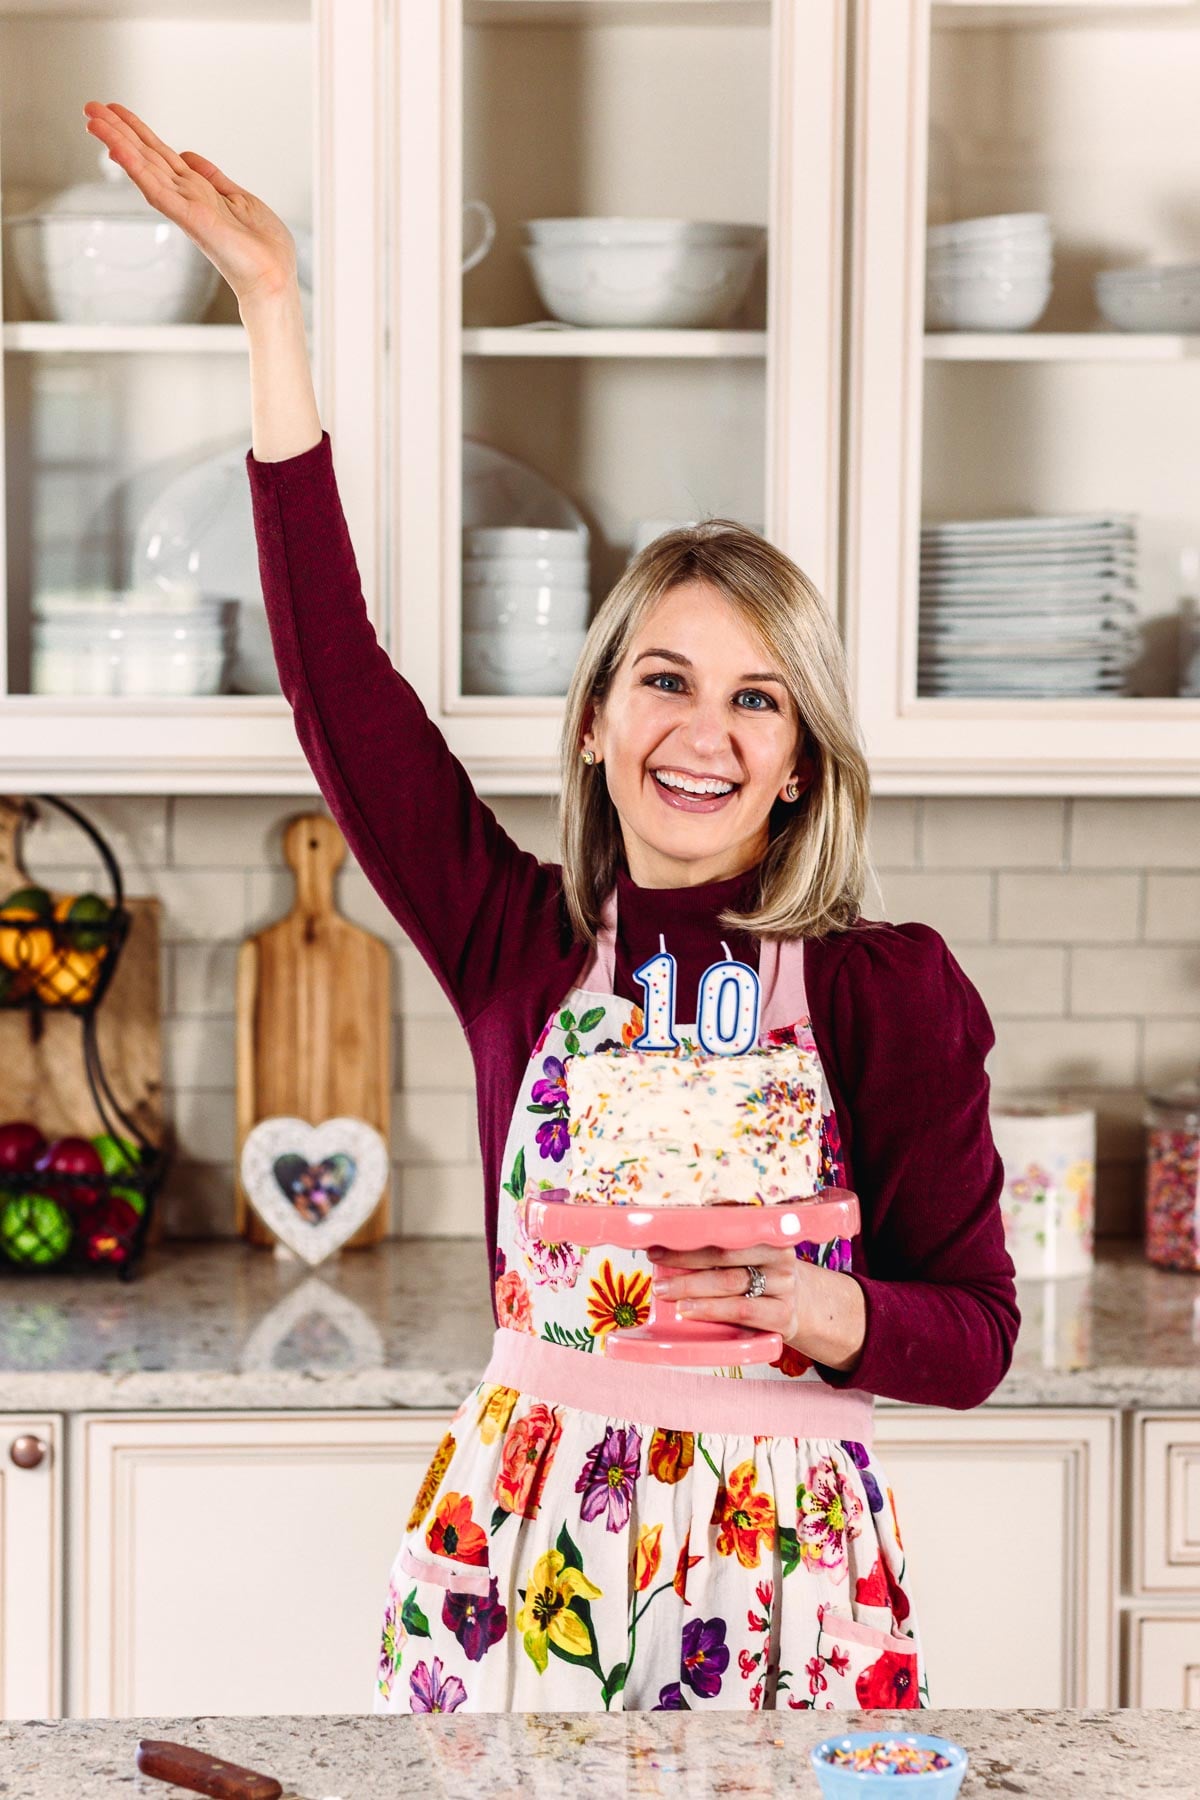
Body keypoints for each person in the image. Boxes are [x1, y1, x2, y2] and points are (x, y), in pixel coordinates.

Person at [81, 100, 1019, 1716]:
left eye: (757, 702)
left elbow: (981, 1329)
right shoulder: (511, 939)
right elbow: (340, 689)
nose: (704, 734)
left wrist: (836, 1312)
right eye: (664, 680)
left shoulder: (887, 991)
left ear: (798, 761)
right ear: (597, 718)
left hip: (784, 1572)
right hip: (526, 1565)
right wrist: (271, 310)